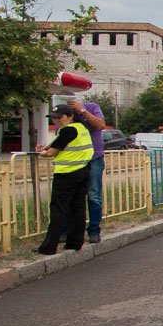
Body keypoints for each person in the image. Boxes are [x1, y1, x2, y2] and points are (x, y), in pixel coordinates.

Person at [33, 105, 93, 255]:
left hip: (66, 174)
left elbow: (52, 152)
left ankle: (48, 247)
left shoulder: (68, 130)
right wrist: (44, 148)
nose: (56, 120)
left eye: (59, 117)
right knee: (77, 208)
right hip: (83, 171)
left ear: (70, 116)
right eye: (53, 117)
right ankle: (75, 243)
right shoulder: (82, 128)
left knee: (58, 209)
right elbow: (57, 144)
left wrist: (43, 153)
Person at [65, 99, 106, 242]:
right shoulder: (65, 114)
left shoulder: (91, 107)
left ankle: (94, 231)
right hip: (74, 161)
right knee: (71, 196)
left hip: (94, 159)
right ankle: (69, 231)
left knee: (93, 195)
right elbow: (62, 136)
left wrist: (82, 110)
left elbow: (100, 125)